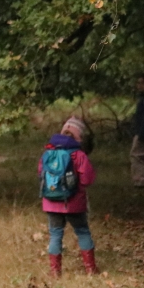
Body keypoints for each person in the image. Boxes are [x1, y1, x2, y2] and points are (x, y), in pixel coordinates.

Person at [40, 118, 98, 277]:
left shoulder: (48, 153)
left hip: (51, 203)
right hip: (74, 203)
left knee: (56, 234)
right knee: (83, 232)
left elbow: (41, 175)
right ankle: (91, 269)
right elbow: (87, 179)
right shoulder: (79, 155)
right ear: (79, 137)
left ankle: (55, 271)